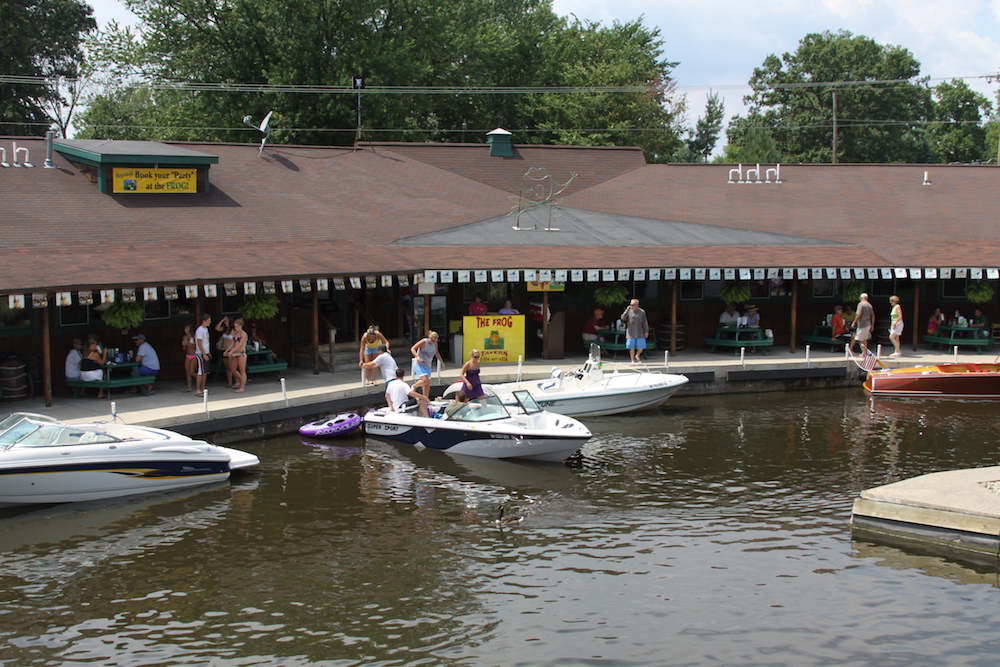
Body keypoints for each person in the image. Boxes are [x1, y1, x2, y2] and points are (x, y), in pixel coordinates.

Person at [410, 330, 444, 398]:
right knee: (425, 380)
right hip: (419, 364)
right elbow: (413, 348)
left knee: (427, 384)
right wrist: (417, 357)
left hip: (428, 365)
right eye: (432, 340)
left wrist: (441, 362)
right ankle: (414, 386)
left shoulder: (435, 343)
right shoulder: (424, 342)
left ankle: (425, 399)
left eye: (435, 341)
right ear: (429, 338)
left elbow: (436, 353)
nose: (433, 342)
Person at [620, 298, 649, 364]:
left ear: (637, 305)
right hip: (631, 333)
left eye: (633, 305)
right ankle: (632, 360)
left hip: (640, 332)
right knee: (631, 347)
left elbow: (645, 322)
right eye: (631, 304)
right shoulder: (628, 311)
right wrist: (626, 310)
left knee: (641, 347)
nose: (631, 306)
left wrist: (646, 331)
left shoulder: (642, 312)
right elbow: (623, 318)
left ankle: (637, 355)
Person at [225, 318, 249, 393]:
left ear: (241, 326)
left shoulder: (244, 334)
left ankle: (242, 387)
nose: (236, 328)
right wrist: (227, 350)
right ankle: (241, 381)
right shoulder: (235, 333)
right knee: (232, 369)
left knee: (242, 370)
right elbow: (232, 343)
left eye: (237, 326)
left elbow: (240, 345)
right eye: (235, 326)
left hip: (241, 353)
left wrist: (231, 351)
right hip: (235, 353)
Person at [215, 315, 236, 388]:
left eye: (226, 321)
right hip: (223, 349)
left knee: (231, 367)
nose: (225, 322)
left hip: (229, 350)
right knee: (227, 367)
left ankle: (237, 381)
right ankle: (229, 382)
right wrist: (222, 320)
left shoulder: (234, 331)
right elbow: (217, 328)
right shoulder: (225, 329)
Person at [195, 313, 212, 397]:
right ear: (204, 321)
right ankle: (198, 390)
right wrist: (204, 354)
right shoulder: (200, 330)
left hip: (205, 352)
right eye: (209, 320)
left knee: (204, 372)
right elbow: (199, 343)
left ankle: (203, 389)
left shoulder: (205, 329)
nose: (210, 322)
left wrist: (208, 353)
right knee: (200, 371)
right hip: (201, 353)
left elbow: (206, 342)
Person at [181, 324, 197, 392]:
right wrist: (184, 345)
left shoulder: (194, 337)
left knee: (191, 372)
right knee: (187, 372)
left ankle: (200, 382)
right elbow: (184, 349)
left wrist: (188, 344)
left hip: (194, 355)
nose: (185, 330)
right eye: (185, 328)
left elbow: (196, 347)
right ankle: (189, 387)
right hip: (187, 355)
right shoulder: (184, 337)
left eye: (187, 328)